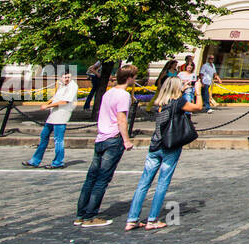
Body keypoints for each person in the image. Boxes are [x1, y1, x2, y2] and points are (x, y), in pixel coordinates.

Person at [124, 74, 203, 230]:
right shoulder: (179, 102)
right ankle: (152, 220)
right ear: (176, 88)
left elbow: (176, 102)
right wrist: (198, 92)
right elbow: (198, 107)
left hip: (154, 146)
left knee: (143, 183)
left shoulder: (161, 103)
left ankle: (132, 219)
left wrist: (184, 89)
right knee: (162, 183)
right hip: (170, 146)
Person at [75, 64, 137, 227]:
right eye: (134, 76)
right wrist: (126, 140)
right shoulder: (123, 95)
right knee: (102, 179)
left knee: (91, 177)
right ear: (129, 78)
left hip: (101, 138)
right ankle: (90, 216)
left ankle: (80, 215)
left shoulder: (109, 93)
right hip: (113, 139)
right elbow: (121, 119)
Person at [24, 70, 78, 169]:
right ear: (61, 77)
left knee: (58, 140)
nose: (67, 79)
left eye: (69, 77)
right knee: (44, 136)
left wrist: (47, 106)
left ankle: (58, 162)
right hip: (53, 115)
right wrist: (47, 104)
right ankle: (35, 161)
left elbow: (65, 101)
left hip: (61, 116)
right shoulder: (61, 85)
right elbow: (55, 97)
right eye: (65, 77)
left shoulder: (72, 86)